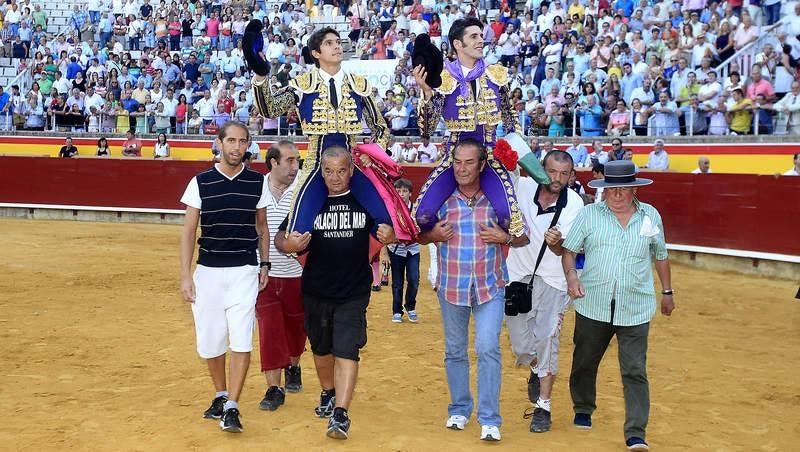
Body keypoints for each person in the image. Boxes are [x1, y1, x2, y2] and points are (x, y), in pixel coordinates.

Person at [275, 146, 396, 440]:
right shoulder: (309, 201)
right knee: (320, 348)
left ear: (351, 171)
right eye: (328, 171)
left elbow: (391, 226)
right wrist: (288, 245)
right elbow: (281, 236)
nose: (335, 178)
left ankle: (341, 412)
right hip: (316, 288)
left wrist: (390, 235)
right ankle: (328, 392)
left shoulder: (365, 200)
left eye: (342, 170)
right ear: (321, 172)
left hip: (354, 289)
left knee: (346, 348)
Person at [418, 139, 530, 443]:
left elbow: (523, 237)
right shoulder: (441, 199)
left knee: (487, 348)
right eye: (457, 162)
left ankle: (490, 418)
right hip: (451, 286)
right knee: (454, 351)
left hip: (489, 286)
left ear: (482, 165)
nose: (462, 168)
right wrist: (432, 235)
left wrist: (504, 237)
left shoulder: (498, 199)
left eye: (469, 162)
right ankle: (459, 408)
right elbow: (418, 233)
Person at [561, 160, 675, 452]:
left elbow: (660, 254)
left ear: (634, 189)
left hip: (635, 305)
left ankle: (636, 431)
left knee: (635, 369)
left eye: (624, 188)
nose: (618, 194)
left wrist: (667, 290)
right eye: (612, 188)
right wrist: (572, 276)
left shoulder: (650, 216)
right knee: (585, 360)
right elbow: (569, 251)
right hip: (593, 302)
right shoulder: (589, 215)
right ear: (604, 188)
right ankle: (583, 406)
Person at [247, 24, 396, 239]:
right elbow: (269, 109)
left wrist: (373, 154)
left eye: (338, 42)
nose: (337, 46)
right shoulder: (302, 84)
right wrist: (261, 77)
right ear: (316, 53)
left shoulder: (358, 84)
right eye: (329, 43)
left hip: (353, 162)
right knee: (297, 232)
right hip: (316, 165)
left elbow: (380, 127)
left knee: (386, 222)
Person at [412, 17, 548, 240]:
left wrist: (515, 145)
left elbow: (510, 116)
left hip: (490, 155)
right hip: (455, 158)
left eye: (480, 35)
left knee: (509, 218)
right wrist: (426, 92)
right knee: (422, 215)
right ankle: (452, 238)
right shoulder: (442, 78)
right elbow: (426, 130)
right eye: (473, 36)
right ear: (457, 44)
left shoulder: (496, 74)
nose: (480, 41)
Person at [179, 121, 271, 434]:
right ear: (219, 143)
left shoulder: (257, 182)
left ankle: (232, 405)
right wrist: (185, 275)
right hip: (207, 271)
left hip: (245, 270)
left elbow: (262, 227)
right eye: (230, 140)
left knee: (242, 337)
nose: (236, 147)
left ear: (248, 145)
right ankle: (220, 393)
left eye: (242, 141)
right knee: (210, 339)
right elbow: (190, 230)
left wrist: (265, 264)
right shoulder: (200, 181)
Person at [505, 150, 584, 433]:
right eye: (552, 172)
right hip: (516, 275)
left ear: (571, 175)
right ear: (541, 169)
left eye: (564, 174)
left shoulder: (574, 204)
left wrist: (558, 243)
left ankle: (544, 406)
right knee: (520, 344)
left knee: (548, 339)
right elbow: (505, 166)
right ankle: (536, 369)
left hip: (554, 280)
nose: (558, 179)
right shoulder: (522, 186)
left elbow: (566, 249)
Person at [256, 140, 306, 412]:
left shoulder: (304, 188)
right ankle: (273, 387)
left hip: (298, 274)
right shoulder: (256, 188)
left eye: (297, 160)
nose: (295, 166)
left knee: (297, 328)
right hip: (264, 274)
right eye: (289, 160)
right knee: (270, 329)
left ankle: (294, 365)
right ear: (273, 162)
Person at [387, 178, 420, 323]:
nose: (401, 194)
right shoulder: (390, 209)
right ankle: (397, 311)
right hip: (395, 250)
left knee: (414, 279)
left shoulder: (416, 209)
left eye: (404, 191)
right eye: (398, 191)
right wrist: (383, 253)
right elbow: (384, 231)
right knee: (397, 282)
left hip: (413, 249)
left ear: (410, 193)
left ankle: (410, 307)